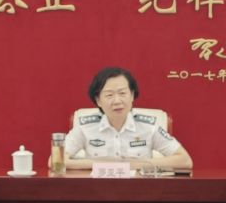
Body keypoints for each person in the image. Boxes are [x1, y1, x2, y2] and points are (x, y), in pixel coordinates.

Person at [63, 66, 192, 171]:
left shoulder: (149, 126)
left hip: (139, 190)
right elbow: (57, 160)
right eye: (109, 95)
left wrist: (136, 165)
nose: (117, 101)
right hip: (98, 190)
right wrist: (98, 164)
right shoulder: (85, 127)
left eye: (122, 93)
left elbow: (185, 160)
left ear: (132, 95)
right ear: (98, 100)